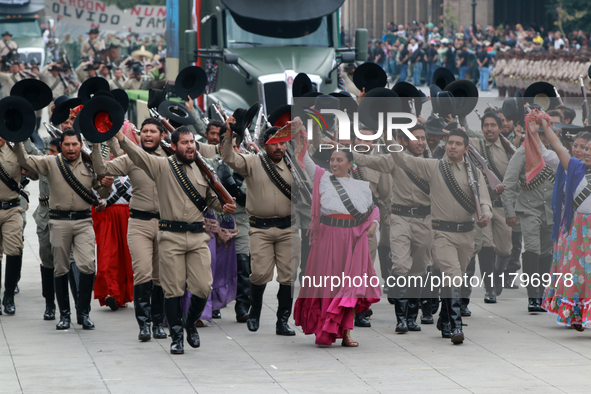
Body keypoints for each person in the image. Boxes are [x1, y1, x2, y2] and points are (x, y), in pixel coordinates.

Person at [114, 125, 235, 354]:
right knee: (173, 290)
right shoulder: (162, 166)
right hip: (170, 236)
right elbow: (137, 154)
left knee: (202, 286)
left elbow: (212, 200)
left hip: (198, 236)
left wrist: (225, 205)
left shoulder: (202, 169)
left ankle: (190, 322)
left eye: (192, 142)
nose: (190, 146)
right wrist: (120, 136)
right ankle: (177, 335)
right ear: (173, 146)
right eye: (185, 143)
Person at [390, 128, 492, 344]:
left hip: (466, 233)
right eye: (450, 143)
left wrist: (486, 215)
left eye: (457, 143)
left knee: (456, 277)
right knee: (453, 275)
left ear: (466, 148)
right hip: (442, 233)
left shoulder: (475, 172)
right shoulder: (435, 167)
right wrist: (391, 133)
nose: (452, 146)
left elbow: (484, 200)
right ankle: (456, 327)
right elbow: (403, 159)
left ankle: (444, 320)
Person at [13, 130, 111, 330]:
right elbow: (25, 160)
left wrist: (105, 185)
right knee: (60, 268)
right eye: (67, 144)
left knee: (87, 266)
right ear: (61, 146)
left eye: (74, 144)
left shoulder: (89, 163)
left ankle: (83, 314)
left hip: (84, 221)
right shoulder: (50, 163)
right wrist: (16, 138)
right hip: (58, 221)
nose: (71, 148)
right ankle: (64, 315)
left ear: (79, 144)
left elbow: (101, 191)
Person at [293, 132, 381, 347]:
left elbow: (373, 210)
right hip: (327, 238)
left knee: (349, 286)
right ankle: (324, 329)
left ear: (350, 164)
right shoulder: (322, 178)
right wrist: (299, 136)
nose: (334, 163)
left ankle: (347, 333)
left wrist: (375, 224)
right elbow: (304, 159)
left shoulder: (361, 186)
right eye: (332, 159)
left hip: (353, 240)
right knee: (328, 285)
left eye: (339, 160)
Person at [221, 117, 301, 336]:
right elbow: (228, 157)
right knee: (258, 274)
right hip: (260, 229)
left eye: (283, 143)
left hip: (289, 229)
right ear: (265, 144)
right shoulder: (252, 162)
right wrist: (229, 135)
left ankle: (282, 321)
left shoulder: (294, 165)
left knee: (288, 276)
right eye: (275, 143)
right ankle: (254, 310)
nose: (280, 147)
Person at [353, 124, 433, 332]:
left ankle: (412, 316)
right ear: (404, 141)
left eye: (423, 138)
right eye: (416, 138)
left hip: (425, 220)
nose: (421, 142)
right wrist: (342, 150)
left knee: (419, 270)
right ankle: (401, 319)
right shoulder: (394, 160)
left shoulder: (434, 164)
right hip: (400, 217)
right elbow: (365, 159)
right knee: (399, 266)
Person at [502, 109, 557, 313]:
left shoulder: (555, 155)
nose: (542, 138)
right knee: (532, 249)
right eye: (538, 133)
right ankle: (533, 296)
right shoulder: (522, 153)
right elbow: (508, 184)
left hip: (551, 211)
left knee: (546, 252)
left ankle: (542, 294)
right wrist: (510, 213)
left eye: (545, 133)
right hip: (529, 209)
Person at [0, 135, 27, 316]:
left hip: (11, 208)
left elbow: (33, 170)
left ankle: (9, 296)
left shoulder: (15, 149)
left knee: (14, 250)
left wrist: (20, 144)